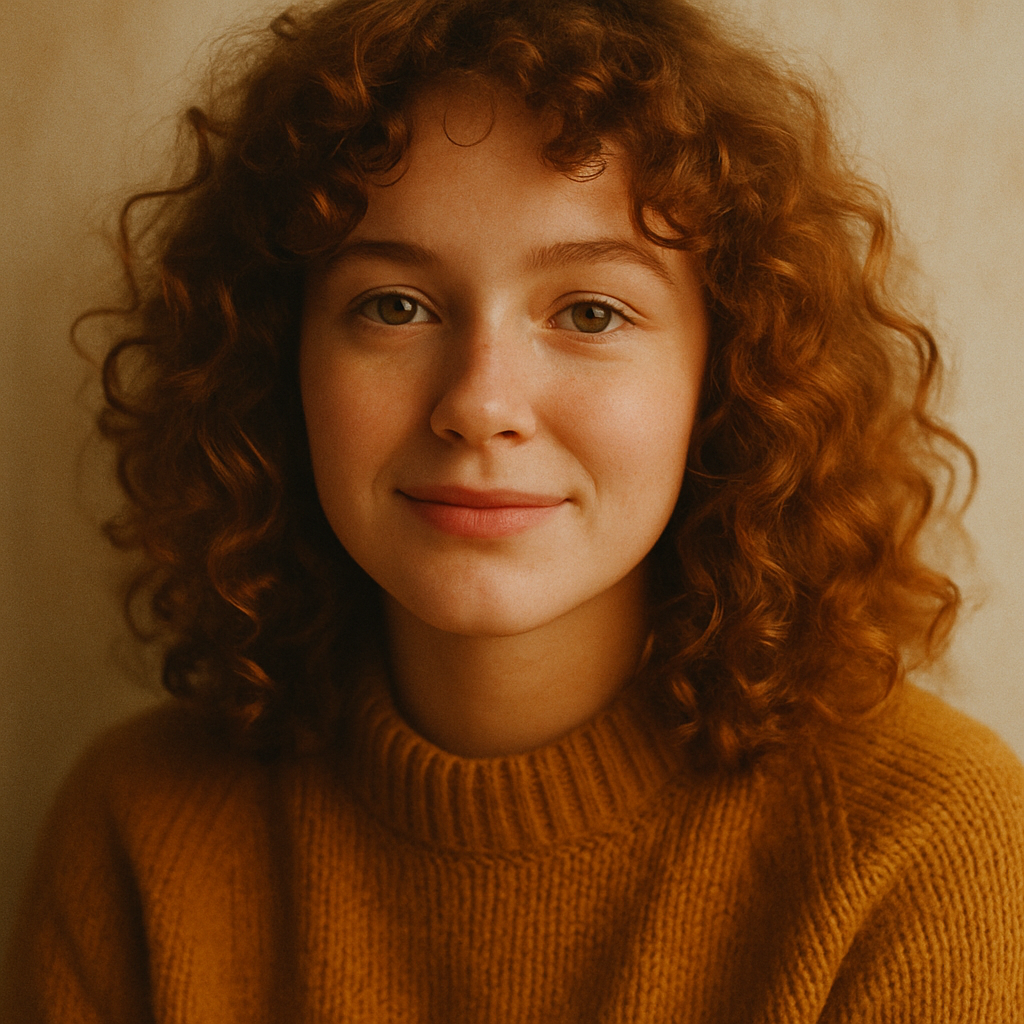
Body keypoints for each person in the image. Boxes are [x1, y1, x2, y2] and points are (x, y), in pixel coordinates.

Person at [4, 0, 1023, 1018]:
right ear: (280, 358)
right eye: (394, 306)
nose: (479, 403)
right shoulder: (139, 830)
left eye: (590, 312)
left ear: (728, 377)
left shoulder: (920, 844)